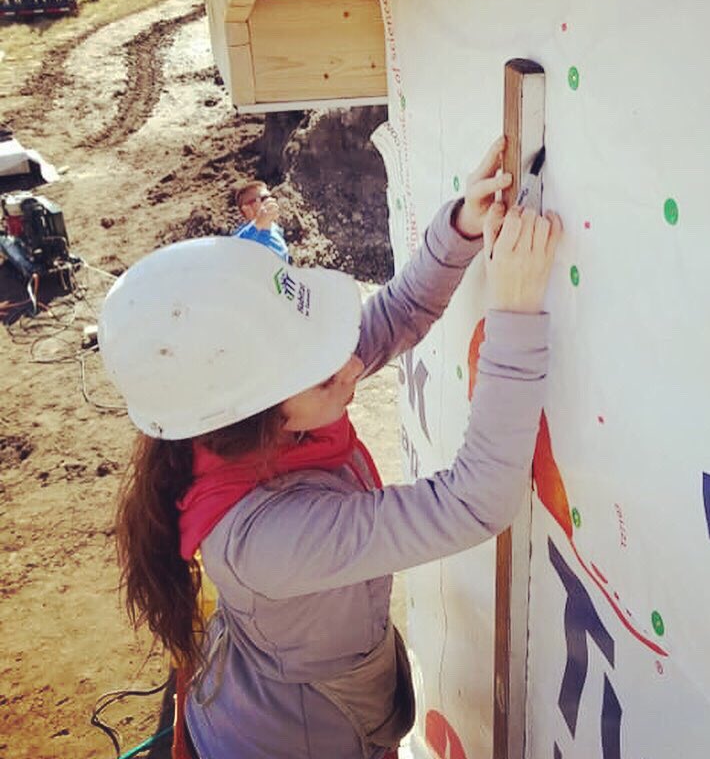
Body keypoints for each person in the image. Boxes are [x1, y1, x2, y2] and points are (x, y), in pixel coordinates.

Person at [99, 137, 563, 759]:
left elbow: (394, 316)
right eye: (324, 370)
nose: (351, 363)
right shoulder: (266, 540)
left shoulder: (248, 413)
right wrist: (515, 314)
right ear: (256, 417)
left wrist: (461, 229)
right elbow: (474, 503)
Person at [233, 180, 290, 261]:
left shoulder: (274, 228)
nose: (271, 200)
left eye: (271, 196)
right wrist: (258, 224)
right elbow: (232, 252)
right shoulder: (245, 236)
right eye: (264, 198)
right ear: (246, 208)